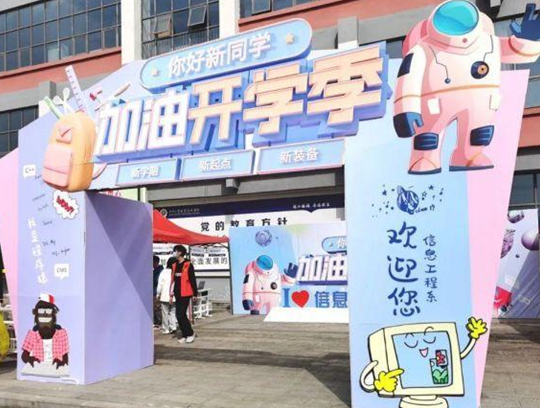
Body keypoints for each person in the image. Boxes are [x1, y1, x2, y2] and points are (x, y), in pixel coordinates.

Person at [169, 245, 198, 344]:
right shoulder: (174, 265)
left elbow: (192, 279)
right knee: (178, 315)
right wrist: (171, 294)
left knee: (181, 314)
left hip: (186, 293)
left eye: (175, 251)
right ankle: (184, 335)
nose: (174, 253)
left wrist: (195, 293)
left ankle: (190, 333)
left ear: (180, 252)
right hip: (177, 293)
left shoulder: (188, 264)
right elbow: (173, 281)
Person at [156, 257, 177, 334]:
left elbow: (160, 284)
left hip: (164, 295)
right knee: (172, 312)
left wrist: (158, 294)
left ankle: (166, 328)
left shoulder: (163, 272)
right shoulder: (175, 272)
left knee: (165, 313)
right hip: (174, 296)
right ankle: (173, 327)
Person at [153, 255, 163, 328]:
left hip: (157, 292)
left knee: (157, 307)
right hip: (154, 292)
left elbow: (157, 281)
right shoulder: (155, 271)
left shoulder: (159, 271)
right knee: (155, 307)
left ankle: (160, 322)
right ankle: (157, 322)